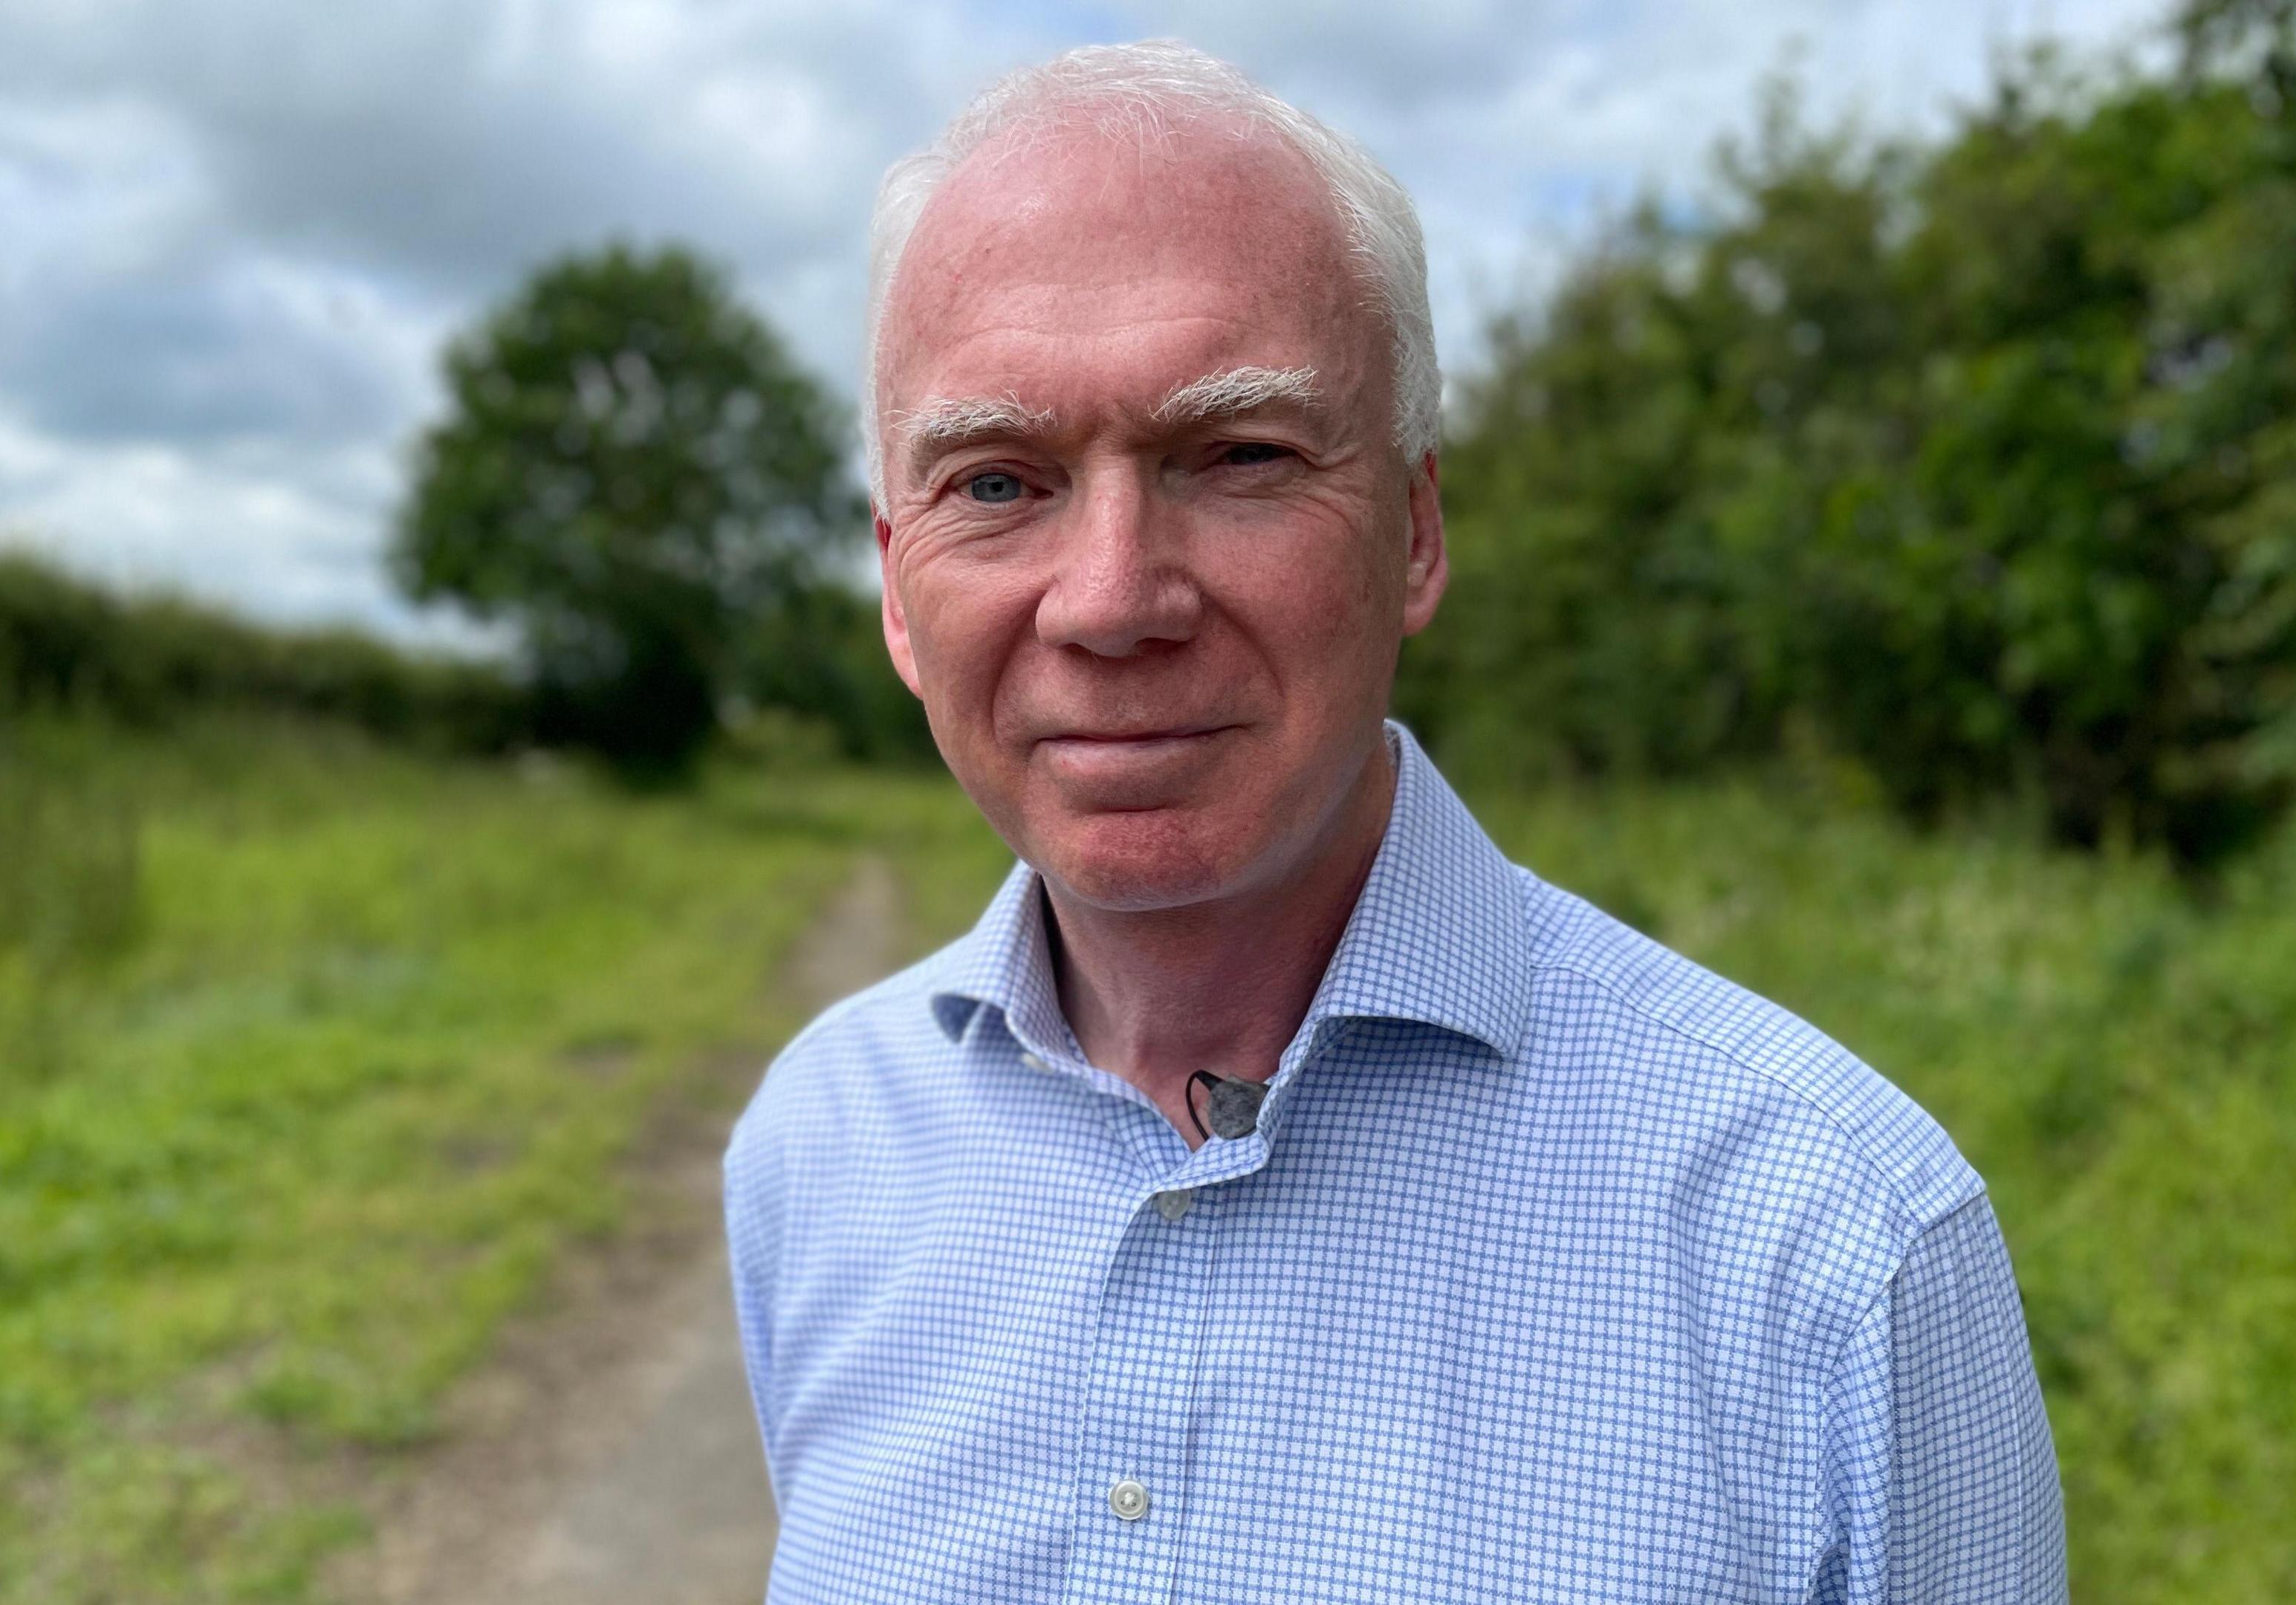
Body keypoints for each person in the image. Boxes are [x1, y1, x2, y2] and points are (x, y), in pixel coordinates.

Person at [724, 40, 2064, 1604]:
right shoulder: (818, 1149)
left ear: (1415, 532)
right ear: (898, 587)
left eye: (1237, 456)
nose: (1110, 601)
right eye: (1001, 484)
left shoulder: (1837, 1251)